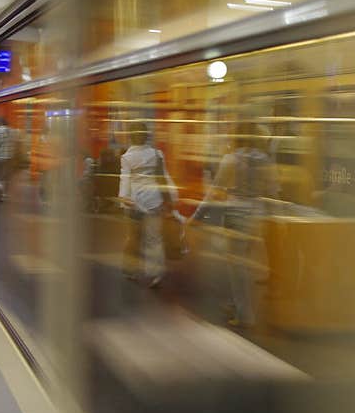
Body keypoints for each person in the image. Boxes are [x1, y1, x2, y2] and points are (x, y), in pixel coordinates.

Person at [190, 121, 279, 327]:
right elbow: (274, 191)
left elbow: (214, 191)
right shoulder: (265, 160)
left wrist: (198, 215)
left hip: (235, 212)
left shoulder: (231, 159)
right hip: (257, 213)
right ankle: (235, 303)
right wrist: (276, 217)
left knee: (236, 265)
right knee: (242, 262)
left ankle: (244, 315)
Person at [118, 122, 179, 288]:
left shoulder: (127, 157)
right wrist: (170, 199)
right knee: (154, 239)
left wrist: (123, 197)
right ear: (147, 136)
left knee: (133, 237)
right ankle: (155, 273)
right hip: (154, 200)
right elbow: (163, 177)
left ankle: (130, 269)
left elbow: (125, 179)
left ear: (131, 136)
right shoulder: (157, 154)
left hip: (134, 202)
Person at [0, 117, 14, 201]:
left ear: (0, 123)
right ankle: (4, 194)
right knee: (6, 177)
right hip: (10, 157)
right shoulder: (12, 132)